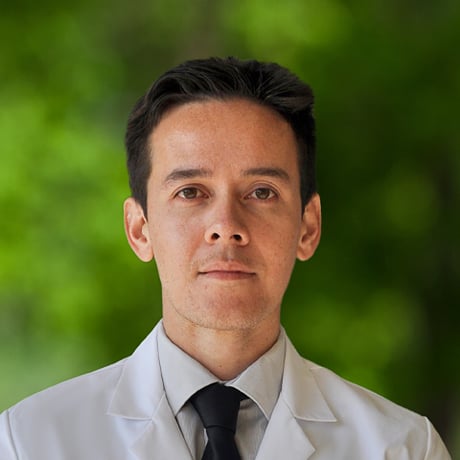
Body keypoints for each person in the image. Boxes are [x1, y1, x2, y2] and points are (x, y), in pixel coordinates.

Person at [0, 57, 451, 460]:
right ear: (140, 229)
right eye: (190, 192)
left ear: (308, 227)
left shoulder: (403, 448)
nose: (226, 225)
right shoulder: (29, 443)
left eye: (261, 192)